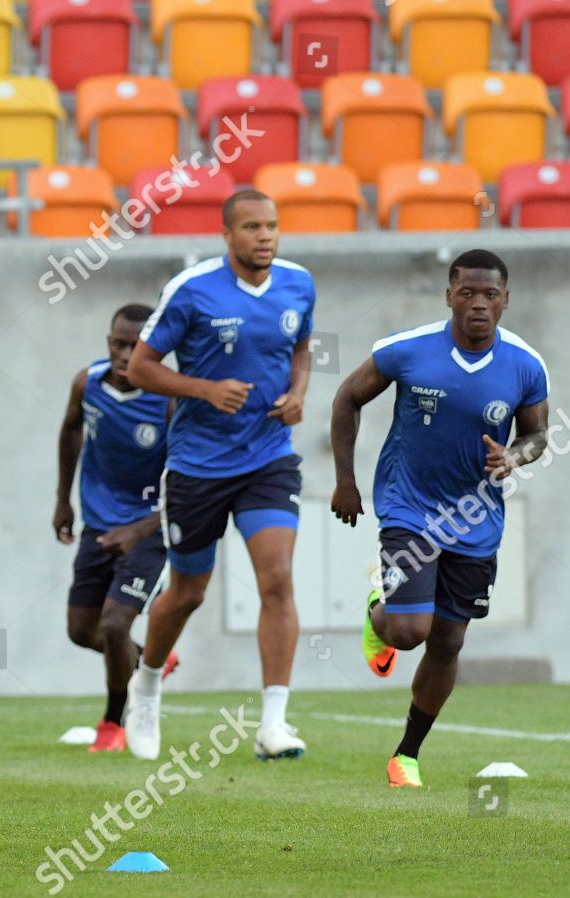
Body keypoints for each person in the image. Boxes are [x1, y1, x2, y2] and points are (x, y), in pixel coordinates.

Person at [330, 249, 548, 788]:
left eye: (490, 294)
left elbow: (538, 434)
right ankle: (379, 613)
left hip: (475, 519)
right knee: (408, 633)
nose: (478, 304)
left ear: (505, 300)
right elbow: (346, 398)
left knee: (447, 643)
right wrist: (345, 481)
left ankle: (406, 755)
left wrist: (514, 457)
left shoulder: (525, 364)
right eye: (467, 293)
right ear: (449, 294)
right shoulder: (407, 351)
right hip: (408, 507)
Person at [124, 190, 314, 762]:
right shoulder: (193, 290)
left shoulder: (298, 283)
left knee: (276, 578)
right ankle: (148, 681)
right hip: (198, 465)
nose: (265, 236)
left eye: (273, 226)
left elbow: (300, 347)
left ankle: (274, 723)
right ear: (228, 234)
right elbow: (140, 366)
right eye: (253, 226)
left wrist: (299, 392)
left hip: (268, 457)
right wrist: (205, 389)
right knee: (189, 593)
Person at [54, 304, 178, 752]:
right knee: (82, 631)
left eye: (136, 345)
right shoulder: (88, 383)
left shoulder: (169, 399)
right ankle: (149, 659)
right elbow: (70, 431)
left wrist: (142, 529)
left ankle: (113, 724)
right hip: (98, 524)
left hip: (153, 528)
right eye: (118, 343)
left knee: (113, 623)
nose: (125, 353)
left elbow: (191, 482)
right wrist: (62, 499)